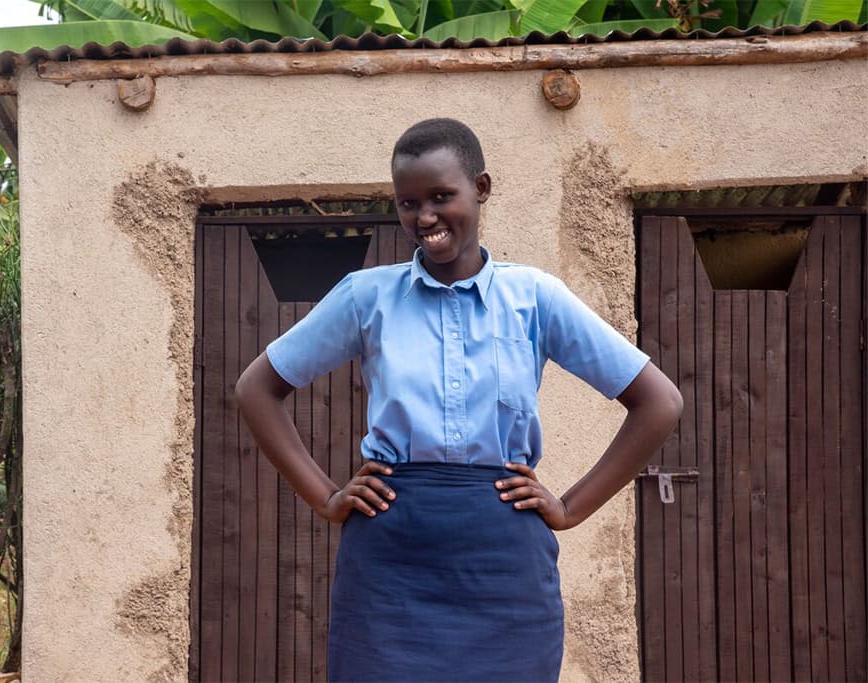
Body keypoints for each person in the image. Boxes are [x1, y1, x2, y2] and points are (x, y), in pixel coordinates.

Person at [234, 118, 683, 682]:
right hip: (390, 559)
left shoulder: (534, 298)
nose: (424, 218)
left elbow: (658, 403)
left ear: (483, 188)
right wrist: (326, 496)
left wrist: (570, 509)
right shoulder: (366, 297)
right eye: (407, 202)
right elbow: (256, 389)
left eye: (442, 196)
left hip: (504, 565)